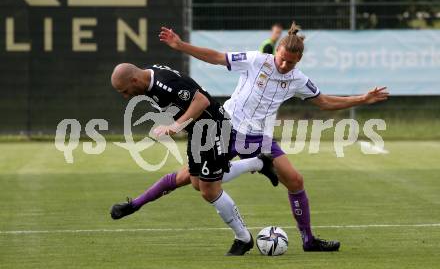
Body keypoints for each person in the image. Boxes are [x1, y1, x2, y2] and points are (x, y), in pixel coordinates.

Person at [112, 21, 389, 252]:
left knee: (295, 180)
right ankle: (136, 203)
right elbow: (217, 57)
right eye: (282, 58)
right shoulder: (257, 61)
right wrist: (181, 45)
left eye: (291, 62)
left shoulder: (298, 79)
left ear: (298, 60)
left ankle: (308, 240)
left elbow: (325, 102)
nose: (284, 65)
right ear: (276, 51)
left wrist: (363, 99)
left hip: (258, 136)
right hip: (229, 126)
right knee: (193, 181)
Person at [110, 63, 279, 255]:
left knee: (209, 190)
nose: (125, 96)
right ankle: (259, 162)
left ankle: (243, 238)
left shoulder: (164, 83)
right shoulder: (146, 80)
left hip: (214, 127)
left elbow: (201, 101)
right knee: (197, 182)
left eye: (125, 91)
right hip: (198, 131)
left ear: (134, 80)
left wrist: (175, 125)